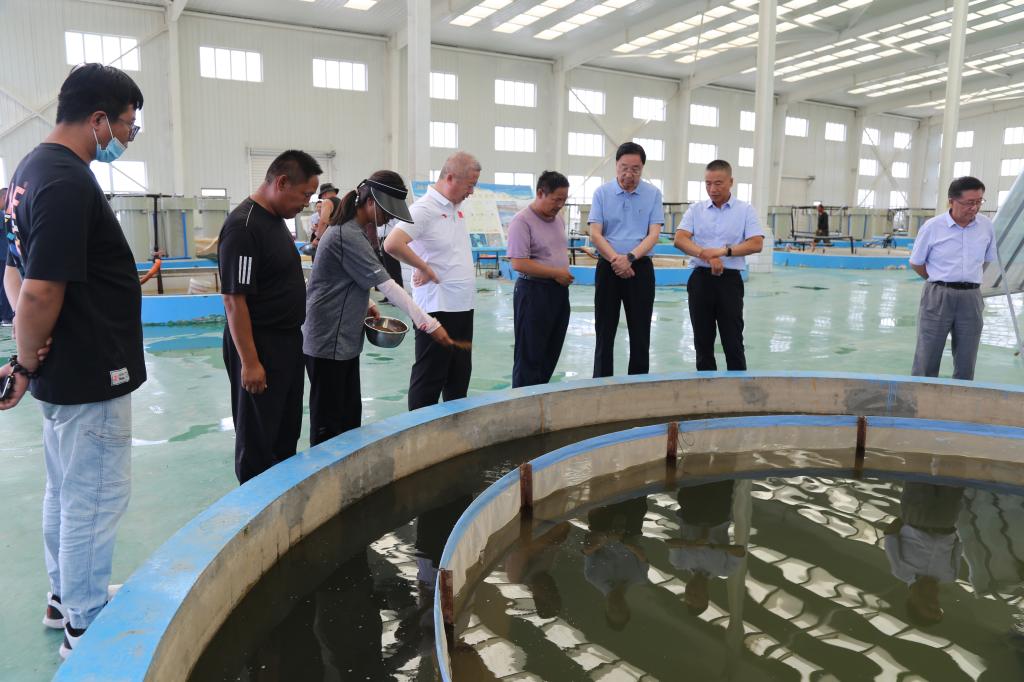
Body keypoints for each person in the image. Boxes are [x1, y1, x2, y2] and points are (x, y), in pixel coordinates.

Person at [0, 63, 145, 659]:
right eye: (128, 126)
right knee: (94, 496)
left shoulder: (27, 173)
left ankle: (65, 598)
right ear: (99, 119)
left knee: (64, 490)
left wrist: (29, 355)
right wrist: (25, 358)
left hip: (68, 369)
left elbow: (13, 273)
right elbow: (37, 291)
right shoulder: (64, 180)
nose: (127, 138)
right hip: (91, 370)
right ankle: (83, 627)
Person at [303, 171, 453, 445]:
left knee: (348, 420)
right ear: (370, 202)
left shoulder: (354, 231)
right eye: (386, 211)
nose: (389, 218)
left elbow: (339, 279)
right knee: (329, 426)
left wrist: (367, 302)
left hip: (343, 341)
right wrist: (428, 323)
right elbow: (389, 286)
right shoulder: (346, 234)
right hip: (328, 342)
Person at [219, 150, 321, 484]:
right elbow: (234, 300)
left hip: (287, 341)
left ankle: (281, 497)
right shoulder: (244, 227)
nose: (307, 204)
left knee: (285, 429)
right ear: (281, 182)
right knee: (258, 437)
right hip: (259, 344)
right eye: (305, 194)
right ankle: (256, 502)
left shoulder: (275, 221)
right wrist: (250, 362)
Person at [384, 152, 480, 410]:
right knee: (429, 378)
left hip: (462, 306)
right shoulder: (424, 209)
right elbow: (392, 243)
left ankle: (453, 427)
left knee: (458, 377)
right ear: (450, 178)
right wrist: (423, 267)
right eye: (469, 185)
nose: (471, 192)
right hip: (436, 308)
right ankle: (419, 429)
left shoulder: (454, 208)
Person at [674, 159, 764, 371]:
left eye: (718, 183)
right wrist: (705, 255)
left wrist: (724, 251)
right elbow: (680, 239)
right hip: (700, 280)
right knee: (702, 341)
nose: (712, 189)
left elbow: (756, 243)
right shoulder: (696, 210)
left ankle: (737, 386)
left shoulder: (745, 210)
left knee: (733, 340)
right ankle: (706, 385)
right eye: (708, 183)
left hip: (729, 282)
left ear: (731, 182)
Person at [588, 142, 664, 377]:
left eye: (635, 169)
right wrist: (617, 260)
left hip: (640, 268)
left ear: (642, 168)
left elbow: (654, 234)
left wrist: (630, 258)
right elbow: (595, 234)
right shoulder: (602, 193)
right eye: (624, 167)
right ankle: (601, 384)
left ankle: (638, 384)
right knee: (604, 330)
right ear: (616, 165)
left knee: (641, 331)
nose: (629, 174)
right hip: (608, 267)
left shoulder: (653, 194)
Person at [909, 176, 996, 381]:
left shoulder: (986, 226)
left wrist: (968, 279)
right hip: (938, 295)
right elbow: (916, 262)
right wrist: (940, 280)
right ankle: (923, 396)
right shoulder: (932, 227)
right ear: (951, 201)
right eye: (969, 202)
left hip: (971, 297)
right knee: (928, 354)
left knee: (967, 357)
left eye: (979, 201)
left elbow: (987, 260)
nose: (974, 207)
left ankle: (962, 396)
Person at [508, 171, 573, 387]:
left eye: (564, 200)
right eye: (556, 199)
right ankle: (523, 400)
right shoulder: (521, 221)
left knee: (551, 351)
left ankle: (540, 396)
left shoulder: (558, 220)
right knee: (530, 354)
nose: (560, 205)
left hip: (558, 293)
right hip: (533, 292)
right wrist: (555, 273)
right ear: (540, 193)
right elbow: (518, 263)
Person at [884, 483, 965, 626]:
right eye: (937, 609)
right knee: (955, 479)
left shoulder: (900, 570)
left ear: (912, 601)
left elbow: (890, 533)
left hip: (917, 514)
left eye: (929, 608)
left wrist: (910, 516)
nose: (934, 604)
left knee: (921, 476)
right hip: (948, 518)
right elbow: (959, 543)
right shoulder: (950, 576)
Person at [0, 188, 13, 324]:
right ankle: (6, 316)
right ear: (4, 197)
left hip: (3, 254)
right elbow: (9, 233)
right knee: (4, 286)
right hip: (3, 256)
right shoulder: (4, 215)